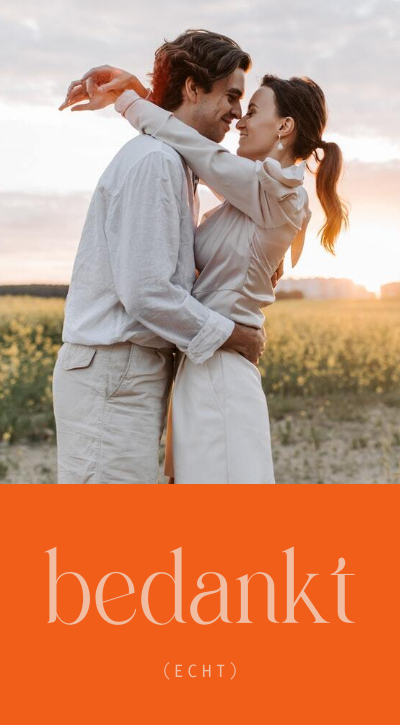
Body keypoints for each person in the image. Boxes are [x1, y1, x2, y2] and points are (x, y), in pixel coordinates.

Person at [60, 57, 348, 484]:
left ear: (284, 127)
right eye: (235, 102)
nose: (239, 120)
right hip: (201, 360)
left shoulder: (280, 192)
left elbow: (200, 151)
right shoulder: (246, 197)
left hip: (222, 365)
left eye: (251, 109)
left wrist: (131, 101)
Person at [53, 30, 268, 485]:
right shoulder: (156, 162)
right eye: (231, 96)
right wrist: (235, 336)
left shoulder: (174, 163)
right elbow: (147, 291)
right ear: (192, 88)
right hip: (114, 370)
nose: (236, 112)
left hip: (126, 371)